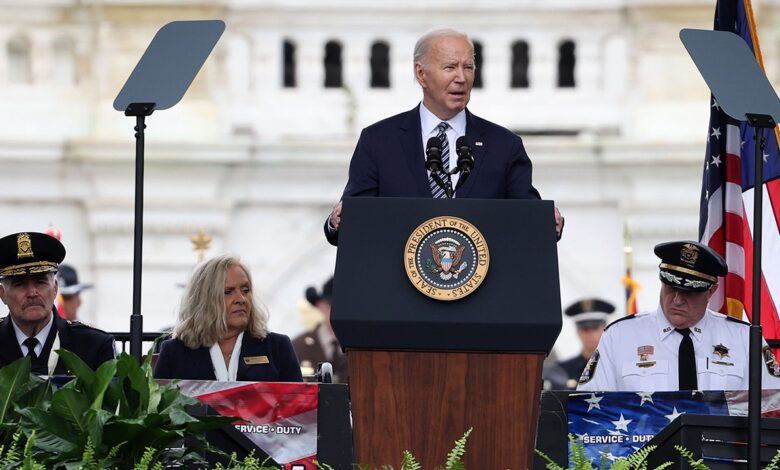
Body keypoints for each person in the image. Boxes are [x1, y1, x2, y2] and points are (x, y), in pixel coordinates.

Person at [325, 27, 564, 246]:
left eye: (468, 67)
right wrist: (336, 222)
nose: (461, 78)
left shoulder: (504, 145)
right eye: (450, 67)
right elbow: (353, 219)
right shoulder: (378, 141)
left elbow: (529, 218)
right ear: (421, 74)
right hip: (397, 286)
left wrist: (548, 224)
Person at [577, 240, 780, 392]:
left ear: (711, 291)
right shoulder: (619, 336)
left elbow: (772, 410)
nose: (676, 300)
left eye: (688, 292)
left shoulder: (744, 338)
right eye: (670, 287)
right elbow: (591, 412)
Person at [154, 254, 303, 382]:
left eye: (246, 290)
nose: (241, 298)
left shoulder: (277, 347)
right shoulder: (175, 352)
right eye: (228, 291)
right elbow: (161, 412)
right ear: (205, 299)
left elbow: (298, 411)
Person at [0, 232, 115, 375]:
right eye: (20, 284)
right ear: (2, 294)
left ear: (55, 288)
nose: (32, 293)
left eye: (40, 281)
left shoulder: (93, 345)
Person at [292, 277, 349, 382]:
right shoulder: (298, 347)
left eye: (347, 306)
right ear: (320, 305)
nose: (340, 311)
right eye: (333, 305)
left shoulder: (365, 348)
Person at [555, 298, 614, 389]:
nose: (591, 334)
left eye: (595, 328)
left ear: (605, 329)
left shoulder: (615, 366)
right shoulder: (562, 370)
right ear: (578, 331)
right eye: (585, 329)